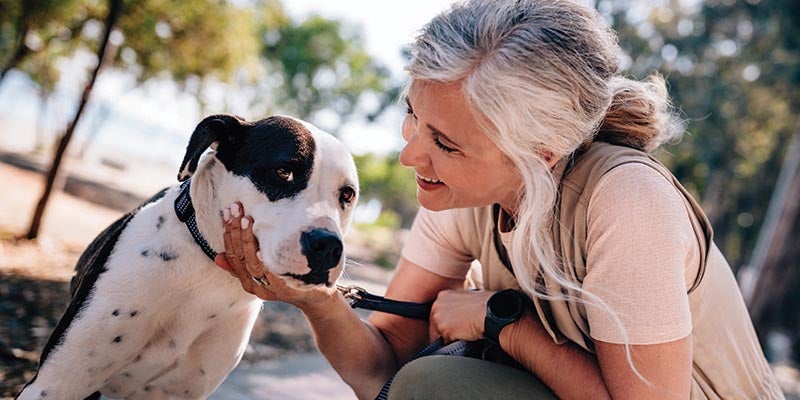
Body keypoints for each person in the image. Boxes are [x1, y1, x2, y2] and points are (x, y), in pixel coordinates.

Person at [215, 0, 782, 398]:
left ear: (540, 152)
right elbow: (380, 376)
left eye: (446, 143)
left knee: (440, 382)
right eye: (413, 115)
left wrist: (503, 324)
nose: (410, 155)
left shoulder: (627, 201)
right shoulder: (459, 193)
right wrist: (318, 300)